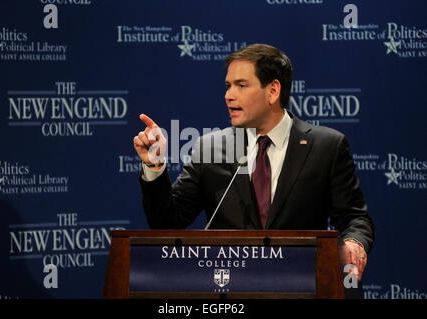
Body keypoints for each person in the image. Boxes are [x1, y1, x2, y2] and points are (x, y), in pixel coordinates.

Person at [133, 44, 374, 282]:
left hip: (301, 284)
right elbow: (167, 222)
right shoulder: (210, 148)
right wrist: (154, 165)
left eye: (241, 85)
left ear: (273, 91)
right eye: (228, 86)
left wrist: (354, 242)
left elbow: (354, 218)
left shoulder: (326, 146)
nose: (229, 95)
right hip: (230, 289)